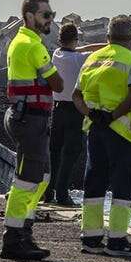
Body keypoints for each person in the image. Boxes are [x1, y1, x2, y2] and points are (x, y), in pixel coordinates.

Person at [73, 15, 131, 258]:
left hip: (96, 130)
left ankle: (91, 237)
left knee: (94, 180)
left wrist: (93, 114)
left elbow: (77, 96)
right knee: (124, 183)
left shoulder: (92, 59)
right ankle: (117, 240)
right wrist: (114, 115)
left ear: (107, 37)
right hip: (124, 132)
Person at [0, 0, 63, 260]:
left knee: (40, 177)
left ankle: (24, 231)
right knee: (26, 180)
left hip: (26, 116)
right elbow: (58, 84)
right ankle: (13, 238)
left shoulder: (21, 42)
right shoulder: (32, 46)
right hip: (30, 119)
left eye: (52, 14)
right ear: (29, 17)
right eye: (46, 15)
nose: (50, 20)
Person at [47, 22, 102, 207]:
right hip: (75, 110)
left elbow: (75, 49)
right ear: (75, 40)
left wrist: (78, 46)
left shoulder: (57, 54)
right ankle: (62, 193)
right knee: (71, 153)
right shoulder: (81, 59)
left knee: (54, 151)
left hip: (57, 108)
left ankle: (48, 191)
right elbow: (101, 51)